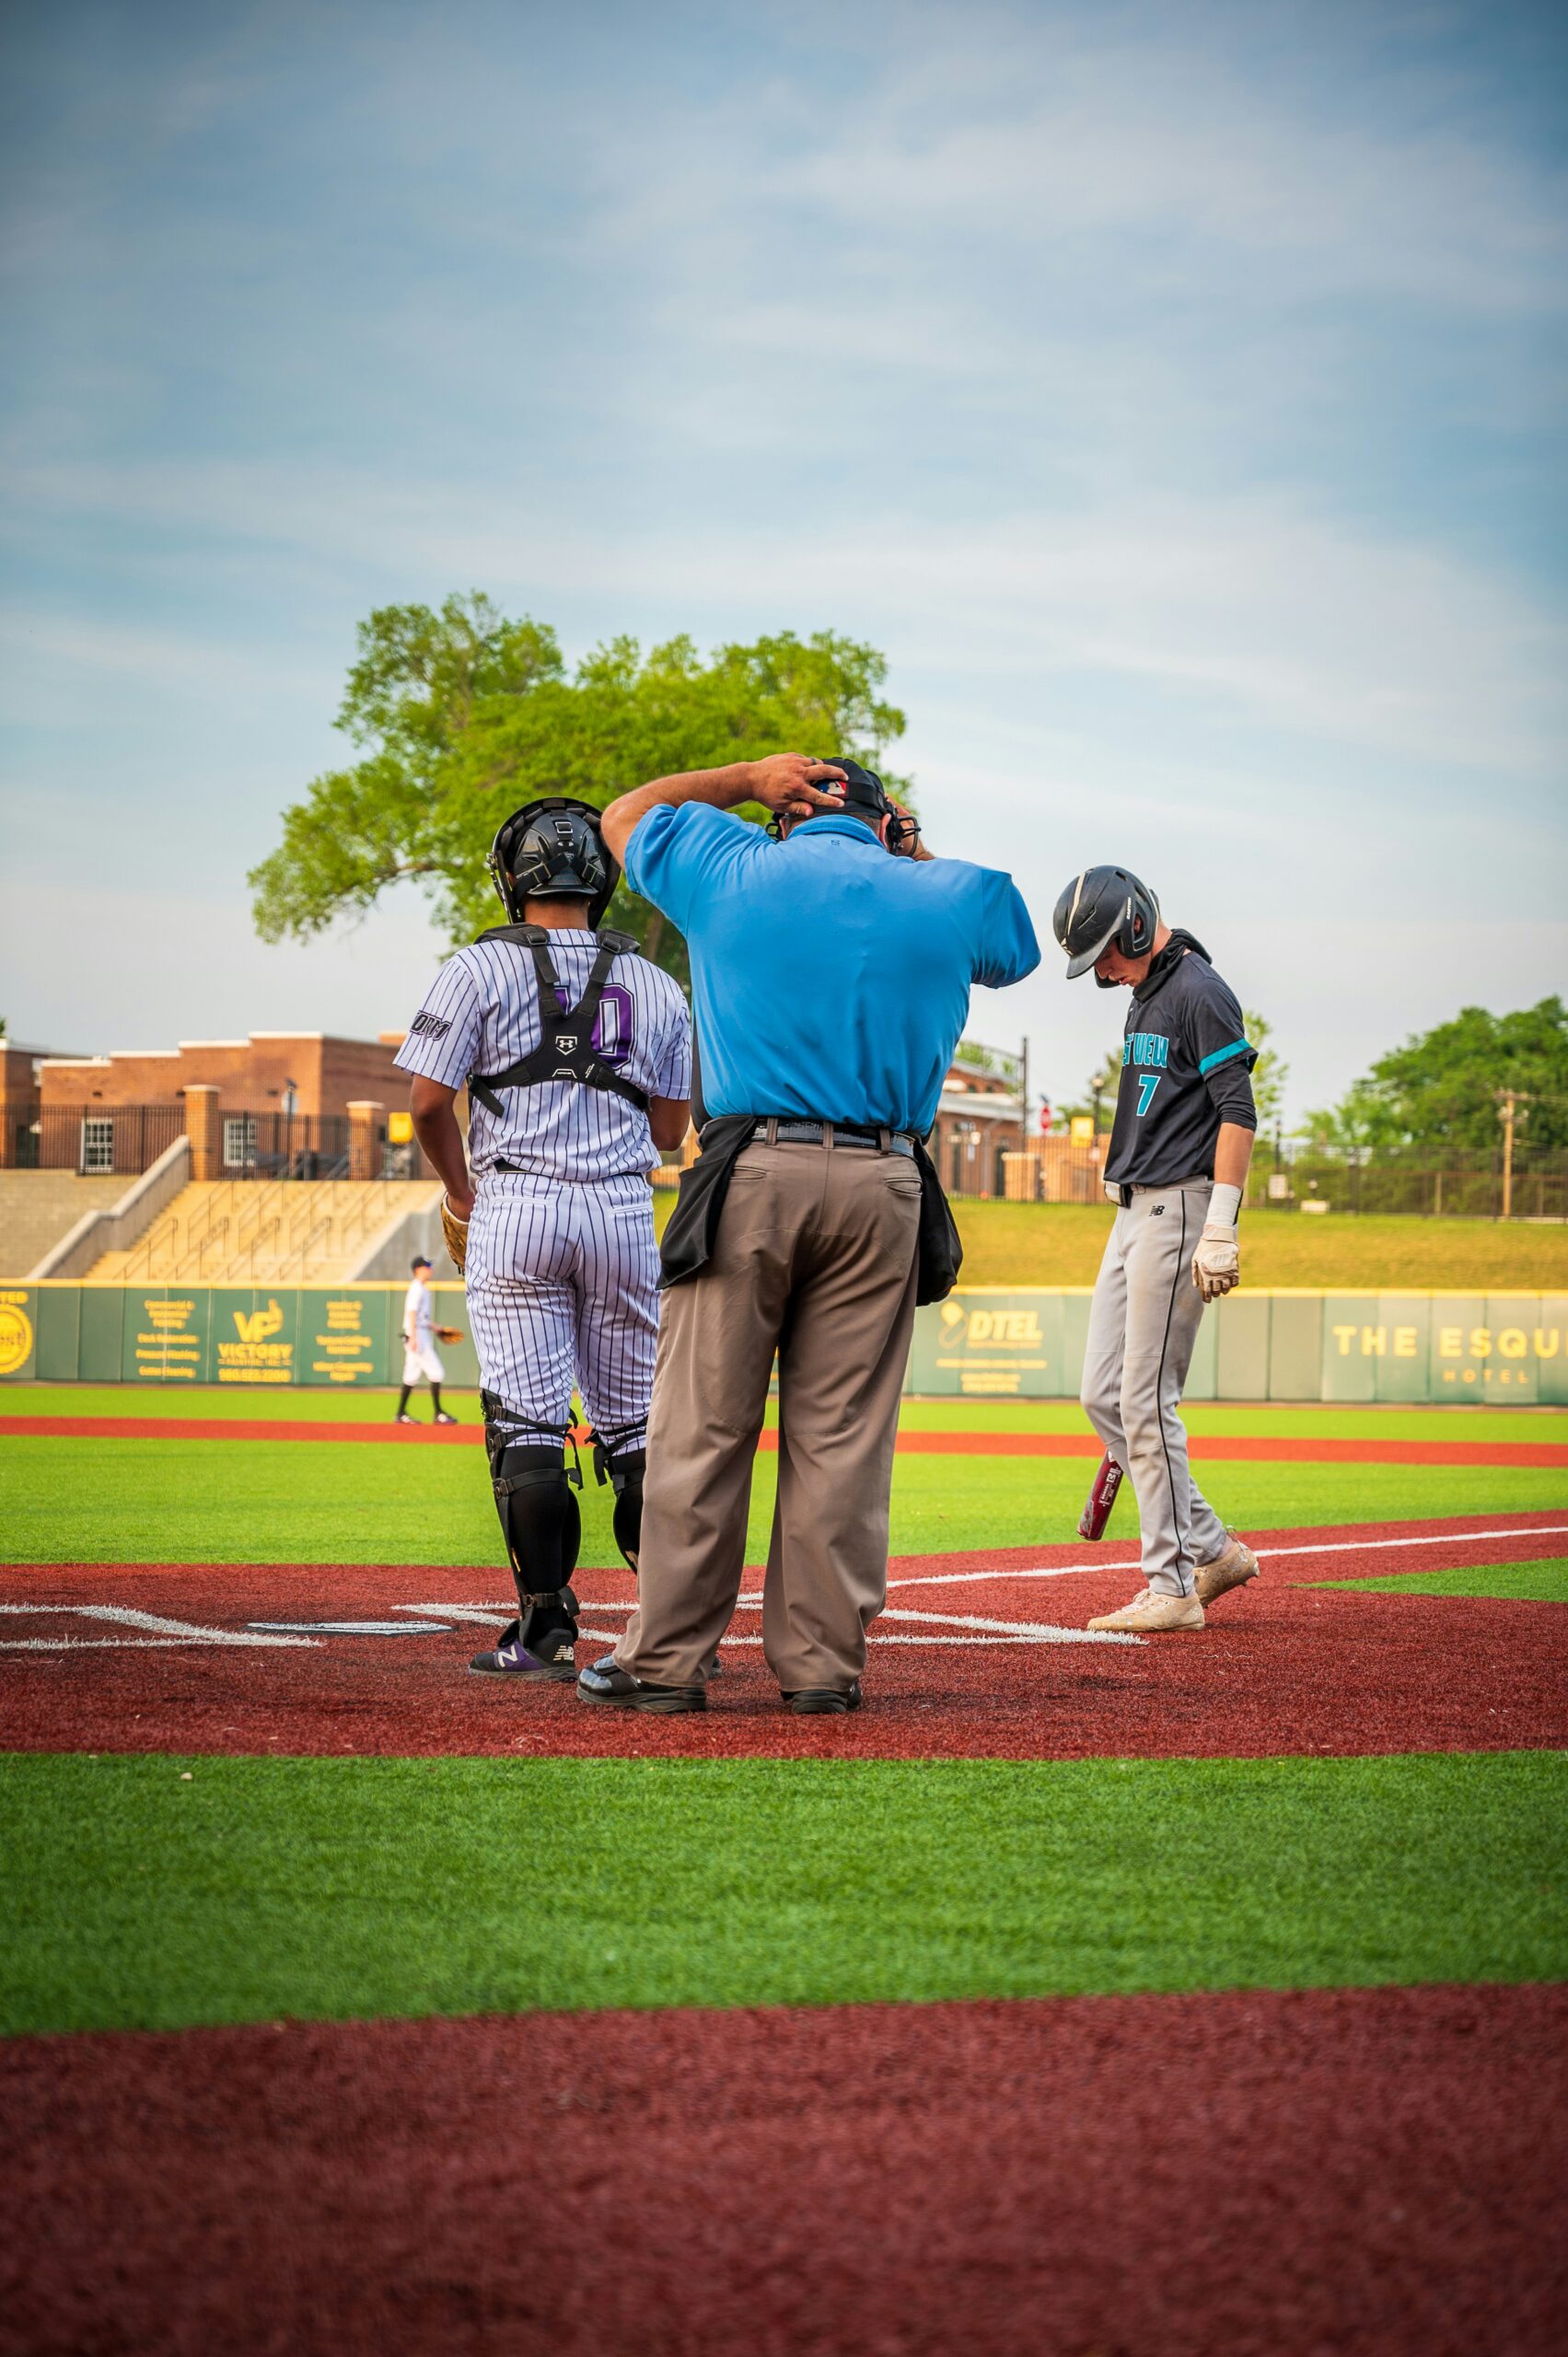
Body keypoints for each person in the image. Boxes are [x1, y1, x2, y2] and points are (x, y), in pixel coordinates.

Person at [575, 751, 1039, 1716]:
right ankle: (821, 1667)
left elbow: (621, 813)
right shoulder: (947, 893)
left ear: (789, 817)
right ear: (886, 824)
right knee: (841, 1441)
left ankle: (665, 1661)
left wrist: (747, 775)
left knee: (702, 1426)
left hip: (751, 1171)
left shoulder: (730, 862)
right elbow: (1016, 948)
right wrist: (909, 851)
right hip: (884, 1183)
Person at [398, 798, 692, 1680]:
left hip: (515, 1208)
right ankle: (673, 1633)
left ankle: (544, 1630)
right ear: (600, 883)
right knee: (638, 1431)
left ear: (510, 879)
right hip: (618, 1210)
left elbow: (423, 1103)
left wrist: (461, 1191)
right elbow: (674, 1133)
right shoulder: (657, 982)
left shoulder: (472, 968)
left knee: (525, 1425)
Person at [1052, 865, 1261, 1632]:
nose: (1101, 971)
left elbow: (1236, 1110)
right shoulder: (1147, 991)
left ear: (1136, 926)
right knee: (1102, 1396)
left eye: (1104, 952)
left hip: (1181, 1207)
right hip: (1135, 1207)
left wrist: (1221, 1225)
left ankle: (1172, 1586)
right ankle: (1210, 1547)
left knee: (1145, 1401)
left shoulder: (1200, 990)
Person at [397, 1255, 458, 1425]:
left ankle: (400, 1414)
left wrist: (436, 1327)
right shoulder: (417, 1288)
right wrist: (415, 1338)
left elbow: (420, 1317)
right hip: (417, 1336)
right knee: (437, 1372)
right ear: (418, 1269)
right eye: (427, 1266)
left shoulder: (421, 1288)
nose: (430, 1269)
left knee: (410, 1376)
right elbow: (411, 1312)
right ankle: (438, 1414)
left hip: (418, 1333)